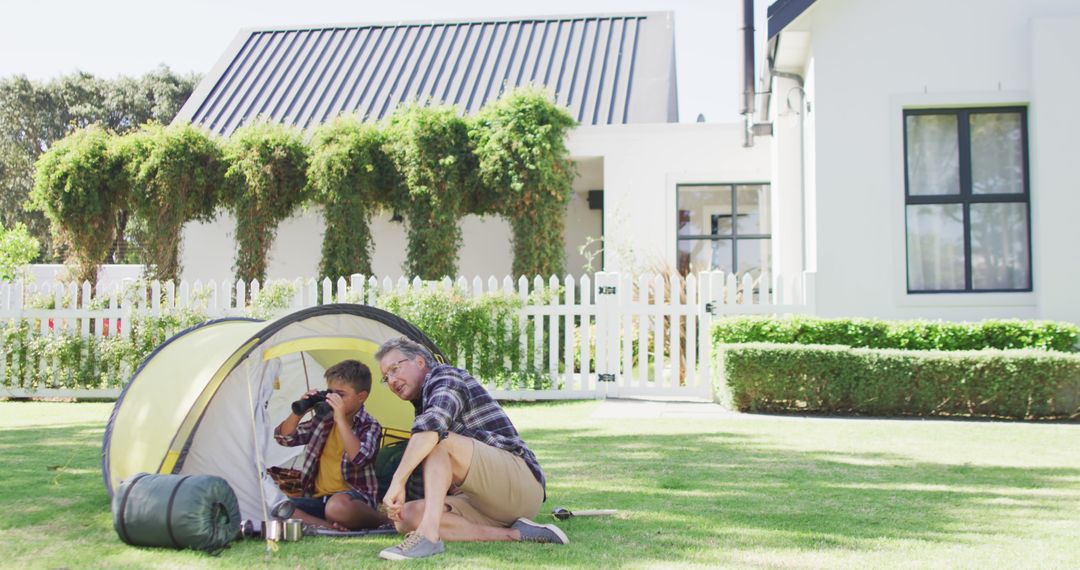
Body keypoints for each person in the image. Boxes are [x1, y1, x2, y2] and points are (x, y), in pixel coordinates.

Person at [375, 337, 568, 561]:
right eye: (385, 377)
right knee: (405, 517)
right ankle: (516, 534)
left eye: (394, 369)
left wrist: (398, 481)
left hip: (520, 486)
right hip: (481, 501)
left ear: (419, 362)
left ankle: (428, 537)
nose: (391, 380)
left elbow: (434, 425)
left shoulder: (446, 376)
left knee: (438, 440)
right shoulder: (421, 405)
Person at [273, 359, 389, 530]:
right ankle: (331, 528)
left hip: (353, 501)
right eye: (330, 393)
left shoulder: (369, 425)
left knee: (337, 507)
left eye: (340, 395)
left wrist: (341, 419)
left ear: (361, 396)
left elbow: (359, 458)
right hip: (318, 499)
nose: (333, 399)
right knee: (280, 507)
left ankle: (384, 521)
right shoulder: (323, 420)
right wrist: (300, 410)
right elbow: (284, 438)